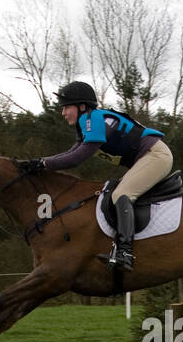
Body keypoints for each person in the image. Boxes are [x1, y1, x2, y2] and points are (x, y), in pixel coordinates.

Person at [39, 81, 173, 271]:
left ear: (82, 106)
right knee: (111, 190)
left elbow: (77, 158)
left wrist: (43, 163)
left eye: (66, 107)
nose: (63, 113)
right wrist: (41, 162)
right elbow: (70, 153)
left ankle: (125, 252)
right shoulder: (88, 123)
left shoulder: (93, 119)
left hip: (156, 155)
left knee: (121, 195)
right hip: (149, 157)